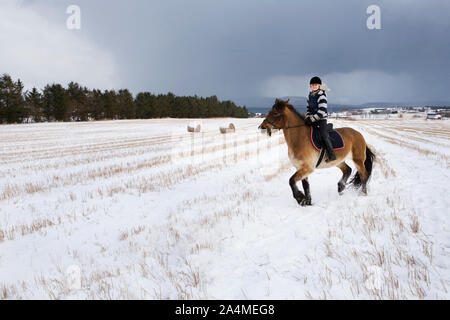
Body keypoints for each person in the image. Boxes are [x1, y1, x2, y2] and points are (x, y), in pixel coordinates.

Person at [304, 76, 336, 162]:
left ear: (319, 86)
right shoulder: (309, 96)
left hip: (321, 119)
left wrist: (312, 119)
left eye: (316, 85)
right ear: (310, 86)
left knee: (323, 134)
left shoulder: (322, 96)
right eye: (312, 85)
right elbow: (308, 109)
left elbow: (321, 112)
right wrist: (307, 117)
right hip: (313, 119)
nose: (314, 86)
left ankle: (332, 155)